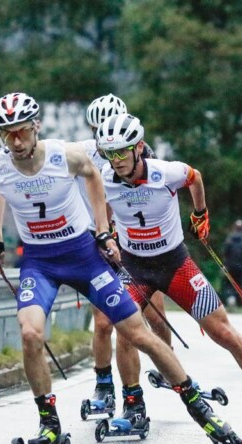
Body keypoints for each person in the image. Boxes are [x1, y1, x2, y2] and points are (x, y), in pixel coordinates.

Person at [0, 92, 242, 444]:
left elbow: (94, 176)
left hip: (84, 255)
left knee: (138, 332)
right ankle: (51, 425)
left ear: (35, 127)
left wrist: (104, 231)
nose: (15, 140)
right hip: (39, 262)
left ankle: (198, 406)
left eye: (22, 131)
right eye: (6, 133)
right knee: (30, 333)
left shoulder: (68, 154)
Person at [96, 112, 242, 440]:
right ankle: (133, 406)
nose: (115, 161)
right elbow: (103, 203)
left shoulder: (166, 172)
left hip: (175, 265)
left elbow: (195, 176)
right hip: (135, 269)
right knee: (125, 331)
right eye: (109, 154)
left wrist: (200, 214)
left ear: (139, 147)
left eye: (121, 152)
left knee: (224, 332)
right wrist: (108, 230)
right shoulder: (104, 177)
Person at [77, 93, 171, 425]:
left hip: (133, 245)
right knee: (106, 322)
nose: (106, 138)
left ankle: (167, 367)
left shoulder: (142, 153)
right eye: (97, 130)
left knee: (157, 315)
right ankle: (106, 385)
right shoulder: (84, 152)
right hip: (97, 242)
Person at [221, 219, 242, 307]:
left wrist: (224, 264)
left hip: (230, 266)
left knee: (229, 284)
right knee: (239, 285)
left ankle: (230, 299)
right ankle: (237, 303)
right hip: (241, 267)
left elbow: (224, 253)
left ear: (234, 228)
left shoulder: (229, 240)